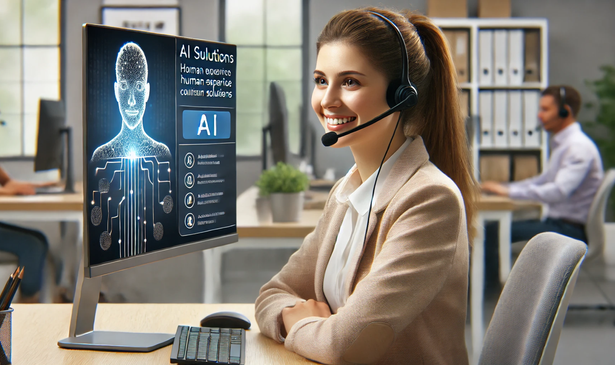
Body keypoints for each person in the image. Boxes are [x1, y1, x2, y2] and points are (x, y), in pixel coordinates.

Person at [255, 8, 477, 364]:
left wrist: (297, 325)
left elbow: (346, 346)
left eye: (350, 82)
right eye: (321, 80)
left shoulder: (430, 200)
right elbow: (273, 293)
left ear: (401, 95)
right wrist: (301, 321)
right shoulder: (348, 191)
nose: (327, 100)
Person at [481, 85, 603, 245]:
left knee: (492, 231)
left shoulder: (577, 147)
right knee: (493, 228)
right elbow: (542, 180)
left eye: (545, 109)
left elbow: (558, 191)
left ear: (564, 111)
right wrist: (504, 188)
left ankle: (499, 272)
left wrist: (509, 192)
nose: (539, 115)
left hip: (569, 230)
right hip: (558, 224)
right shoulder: (564, 144)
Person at [0, 83, 50, 302]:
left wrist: (44, 186)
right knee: (32, 245)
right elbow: (4, 189)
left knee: (40, 239)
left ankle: (36, 301)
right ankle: (30, 307)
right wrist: (5, 193)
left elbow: (6, 181)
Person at [91, 42, 171, 162]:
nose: (131, 100)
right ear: (116, 91)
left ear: (147, 91)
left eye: (139, 87)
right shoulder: (101, 156)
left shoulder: (162, 154)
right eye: (124, 86)